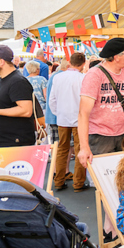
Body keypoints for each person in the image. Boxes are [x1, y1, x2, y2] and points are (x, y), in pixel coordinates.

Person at [77, 38, 124, 167]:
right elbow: (83, 113)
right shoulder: (94, 75)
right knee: (104, 179)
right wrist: (84, 147)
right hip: (99, 136)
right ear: (117, 57)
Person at [49, 53, 87, 192]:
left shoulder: (57, 77)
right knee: (79, 149)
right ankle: (79, 182)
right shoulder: (83, 78)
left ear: (69, 62)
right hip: (79, 118)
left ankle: (58, 180)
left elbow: (52, 99)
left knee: (62, 149)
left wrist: (58, 113)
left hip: (62, 118)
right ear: (83, 64)